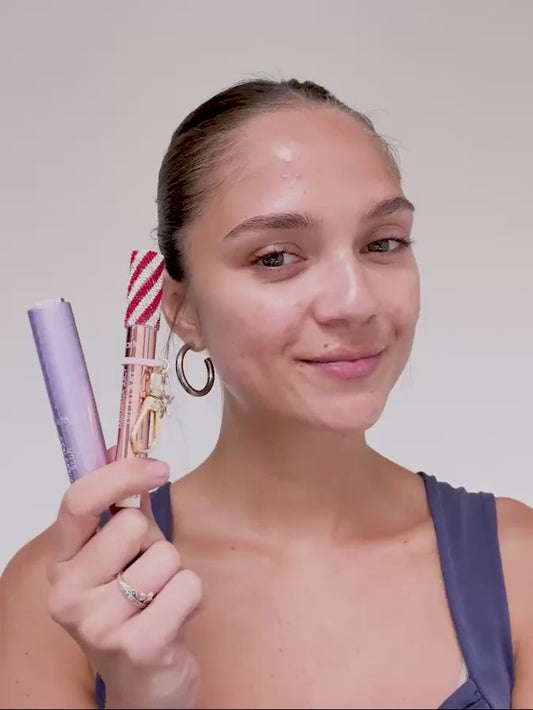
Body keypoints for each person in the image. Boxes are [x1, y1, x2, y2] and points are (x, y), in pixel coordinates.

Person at [0, 78, 532, 710]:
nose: (354, 302)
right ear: (183, 310)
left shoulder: (518, 565)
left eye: (382, 243)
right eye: (276, 257)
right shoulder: (57, 602)